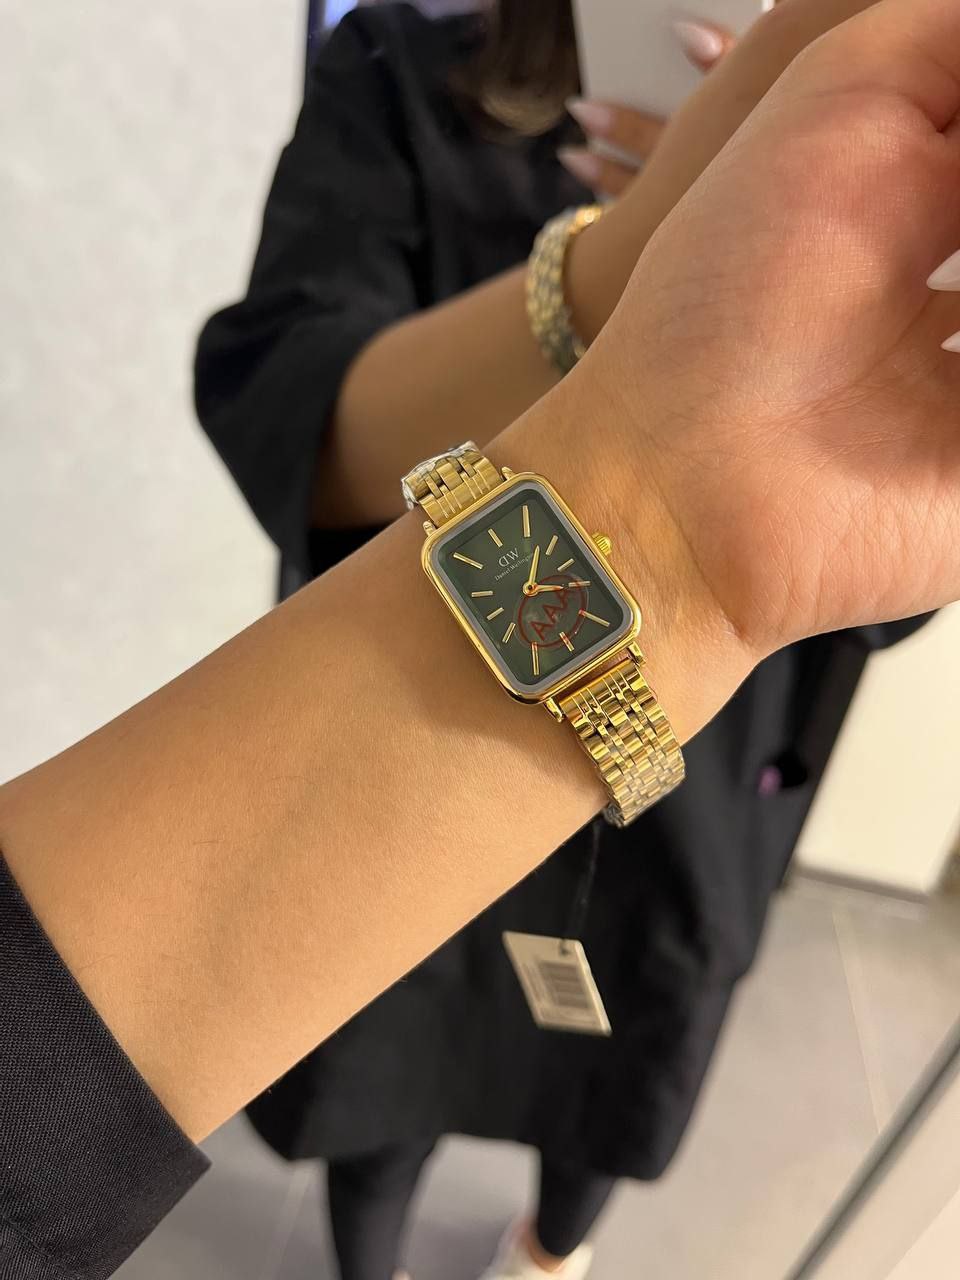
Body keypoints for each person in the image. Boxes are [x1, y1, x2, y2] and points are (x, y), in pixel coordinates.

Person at [3, 0, 960, 1275]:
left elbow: (876, 588)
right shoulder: (398, 64)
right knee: (382, 1101)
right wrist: (615, 272)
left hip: (690, 805)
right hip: (390, 769)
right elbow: (289, 416)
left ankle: (547, 1253)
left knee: (607, 1099)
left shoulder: (915, 159)